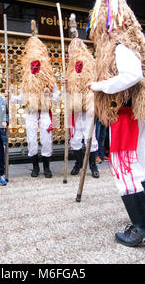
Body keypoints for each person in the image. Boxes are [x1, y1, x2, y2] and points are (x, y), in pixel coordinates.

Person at [88, 0, 145, 247]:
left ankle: (143, 230)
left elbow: (132, 75)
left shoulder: (120, 46)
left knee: (124, 168)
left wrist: (100, 86)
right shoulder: (124, 43)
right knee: (137, 166)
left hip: (127, 115)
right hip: (131, 115)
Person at [9, 20, 59, 178]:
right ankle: (35, 167)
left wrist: (49, 94)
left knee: (46, 138)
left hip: (45, 112)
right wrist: (10, 97)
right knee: (31, 140)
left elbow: (58, 98)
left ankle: (47, 167)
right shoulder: (26, 80)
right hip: (30, 112)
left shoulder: (50, 80)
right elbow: (20, 99)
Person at [63, 14, 99, 178]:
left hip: (89, 105)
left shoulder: (90, 64)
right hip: (77, 107)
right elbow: (67, 90)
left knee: (90, 137)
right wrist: (65, 83)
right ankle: (78, 163)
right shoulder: (70, 69)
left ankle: (92, 166)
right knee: (76, 139)